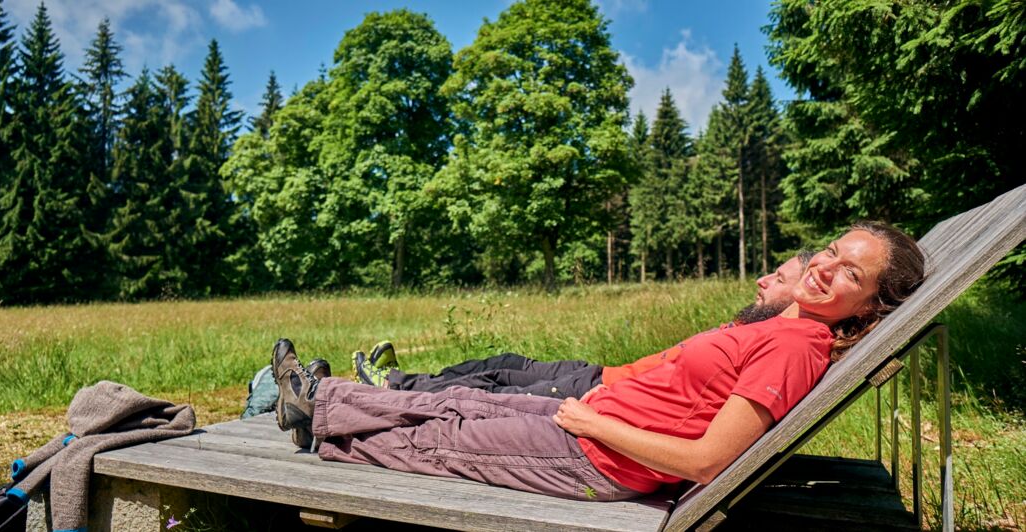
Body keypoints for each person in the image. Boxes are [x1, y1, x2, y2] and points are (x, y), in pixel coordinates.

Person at [274, 222, 925, 501]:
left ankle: (319, 422)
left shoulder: (794, 348)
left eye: (851, 272)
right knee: (466, 401)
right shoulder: (790, 329)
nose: (825, 268)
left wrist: (596, 426)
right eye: (832, 251)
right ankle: (319, 403)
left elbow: (709, 462)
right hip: (596, 422)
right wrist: (598, 407)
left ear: (868, 304)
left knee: (447, 439)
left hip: (601, 456)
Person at [354, 251, 814, 398]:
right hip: (601, 373)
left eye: (778, 279)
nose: (762, 278)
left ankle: (393, 388)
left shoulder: (775, 344)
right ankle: (405, 382)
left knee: (493, 389)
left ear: (800, 297)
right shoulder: (750, 326)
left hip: (598, 394)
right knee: (503, 361)